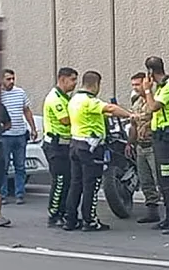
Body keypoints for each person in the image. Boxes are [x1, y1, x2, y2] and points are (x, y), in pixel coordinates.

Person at [62, 70, 135, 232]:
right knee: (91, 186)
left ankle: (70, 220)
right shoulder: (89, 101)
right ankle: (90, 221)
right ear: (96, 84)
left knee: (76, 185)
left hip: (75, 145)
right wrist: (131, 115)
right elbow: (110, 108)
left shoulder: (74, 99)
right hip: (90, 148)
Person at [141, 56, 169, 235]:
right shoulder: (160, 88)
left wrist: (146, 90)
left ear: (150, 72)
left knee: (167, 181)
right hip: (159, 137)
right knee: (161, 180)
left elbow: (153, 107)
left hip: (168, 139)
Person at [42, 67, 78, 227]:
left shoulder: (66, 98)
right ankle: (54, 214)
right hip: (55, 146)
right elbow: (65, 120)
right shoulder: (55, 98)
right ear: (62, 79)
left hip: (65, 145)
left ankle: (63, 212)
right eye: (72, 79)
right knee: (60, 180)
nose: (75, 83)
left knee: (68, 181)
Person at [0, 68, 37, 204]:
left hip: (20, 134)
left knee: (20, 166)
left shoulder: (20, 92)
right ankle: (2, 195)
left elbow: (26, 111)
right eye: (8, 79)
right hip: (5, 136)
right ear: (1, 80)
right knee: (3, 166)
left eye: (13, 79)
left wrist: (33, 128)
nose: (11, 81)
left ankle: (19, 194)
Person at [129, 72, 162, 225]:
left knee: (161, 180)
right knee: (145, 181)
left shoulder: (154, 100)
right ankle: (152, 212)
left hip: (153, 145)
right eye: (133, 85)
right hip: (141, 146)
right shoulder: (136, 102)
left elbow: (154, 114)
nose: (135, 88)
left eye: (138, 84)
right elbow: (134, 125)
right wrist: (130, 143)